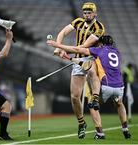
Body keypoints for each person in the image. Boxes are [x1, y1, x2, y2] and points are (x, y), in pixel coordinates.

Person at [47, 35, 131, 139]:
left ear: (101, 44)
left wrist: (58, 46)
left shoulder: (98, 50)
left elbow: (78, 51)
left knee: (92, 104)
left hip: (106, 86)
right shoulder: (117, 52)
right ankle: (125, 129)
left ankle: (100, 133)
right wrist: (70, 57)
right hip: (119, 87)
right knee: (119, 104)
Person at [53, 2, 105, 139]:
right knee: (75, 96)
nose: (87, 15)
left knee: (92, 71)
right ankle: (81, 123)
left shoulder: (99, 27)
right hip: (78, 60)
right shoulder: (78, 22)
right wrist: (58, 48)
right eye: (85, 13)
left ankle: (95, 96)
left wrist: (63, 48)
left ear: (95, 13)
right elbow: (62, 32)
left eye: (89, 13)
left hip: (91, 56)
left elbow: (84, 46)